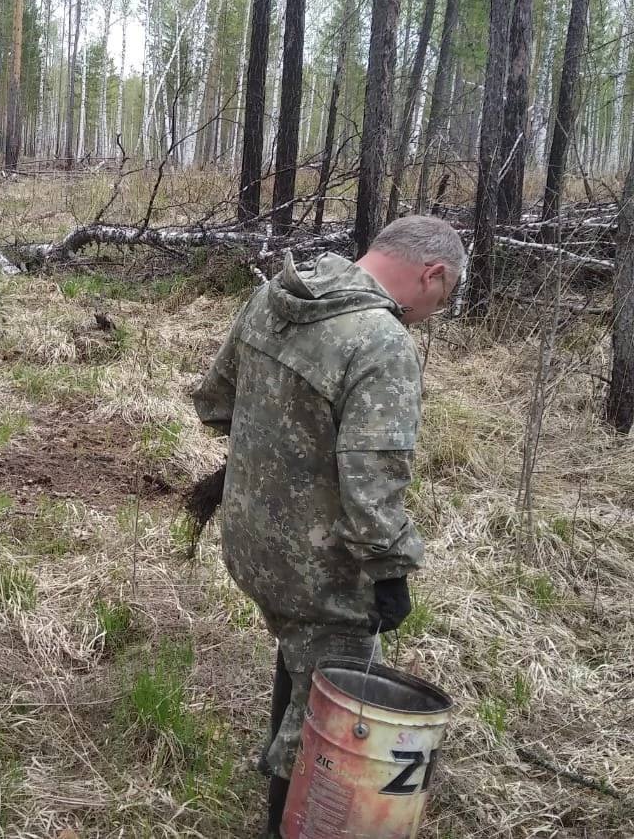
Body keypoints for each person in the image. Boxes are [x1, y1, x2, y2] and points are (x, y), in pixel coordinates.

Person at [189, 215, 465, 837]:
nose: (430, 314)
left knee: (303, 649)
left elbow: (215, 402)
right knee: (337, 685)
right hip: (316, 565)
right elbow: (373, 483)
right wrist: (390, 571)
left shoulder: (274, 296)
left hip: (250, 538)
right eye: (440, 301)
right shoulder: (380, 340)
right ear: (434, 275)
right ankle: (287, 820)